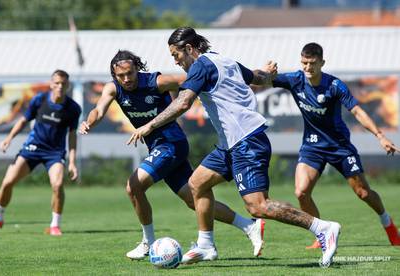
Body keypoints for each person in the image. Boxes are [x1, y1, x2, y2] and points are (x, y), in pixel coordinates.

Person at [127, 27, 341, 267]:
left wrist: (149, 126)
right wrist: (268, 74)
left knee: (258, 206)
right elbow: (257, 78)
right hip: (231, 144)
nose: (176, 62)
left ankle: (322, 228)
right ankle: (206, 245)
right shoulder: (223, 59)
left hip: (246, 141)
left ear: (189, 49)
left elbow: (184, 102)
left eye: (176, 56)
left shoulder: (201, 66)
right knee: (197, 184)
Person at [79, 50, 266, 260]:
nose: (126, 79)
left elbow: (191, 79)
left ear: (137, 69)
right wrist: (89, 121)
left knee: (134, 186)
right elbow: (99, 109)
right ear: (114, 75)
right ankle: (249, 226)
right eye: (120, 76)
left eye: (130, 73)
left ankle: (148, 243)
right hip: (159, 147)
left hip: (171, 144)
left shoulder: (156, 82)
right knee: (192, 200)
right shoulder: (112, 88)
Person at [269, 42, 400, 248]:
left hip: (340, 147)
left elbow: (357, 111)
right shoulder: (295, 79)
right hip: (312, 146)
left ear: (322, 62)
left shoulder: (335, 85)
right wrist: (267, 73)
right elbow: (260, 78)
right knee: (301, 192)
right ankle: (321, 234)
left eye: (312, 63)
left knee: (363, 193)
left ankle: (388, 223)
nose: (307, 68)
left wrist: (380, 135)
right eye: (304, 63)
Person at [0, 70, 81, 236]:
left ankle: (54, 225)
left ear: (68, 85)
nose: (59, 86)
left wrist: (72, 162)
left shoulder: (73, 108)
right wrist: (9, 138)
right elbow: (23, 120)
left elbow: (72, 136)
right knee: (7, 182)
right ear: (51, 84)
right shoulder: (39, 99)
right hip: (33, 148)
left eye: (63, 84)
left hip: (55, 153)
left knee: (57, 185)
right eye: (56, 83)